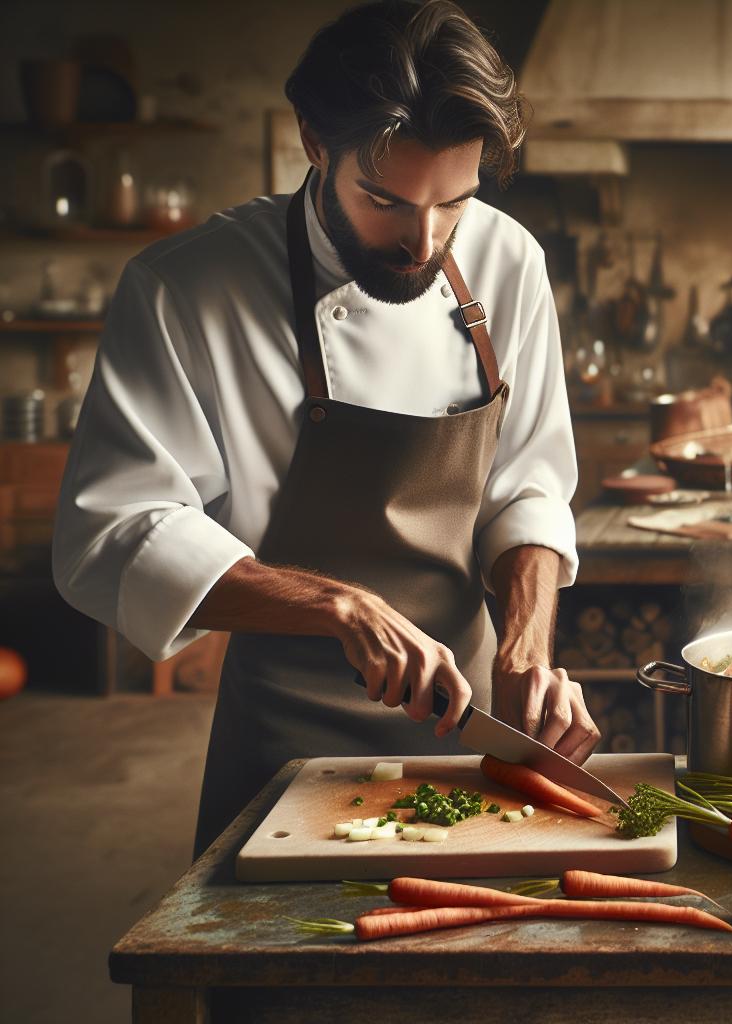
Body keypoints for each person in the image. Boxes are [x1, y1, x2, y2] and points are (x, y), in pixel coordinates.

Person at [51, 0, 598, 857]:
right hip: (286, 742)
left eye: (454, 202)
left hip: (475, 725)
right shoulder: (184, 289)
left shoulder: (509, 261)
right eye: (385, 200)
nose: (424, 241)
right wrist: (340, 606)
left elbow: (527, 480)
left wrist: (526, 646)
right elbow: (114, 532)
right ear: (314, 141)